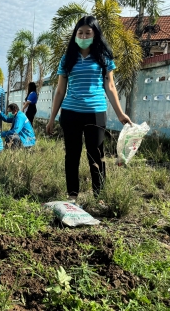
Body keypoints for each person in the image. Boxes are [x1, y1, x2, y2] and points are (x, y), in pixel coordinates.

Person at [45, 16, 132, 201]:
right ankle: (72, 196)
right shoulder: (67, 58)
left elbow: (110, 87)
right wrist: (52, 118)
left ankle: (99, 197)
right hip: (70, 113)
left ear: (95, 34)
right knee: (72, 155)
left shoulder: (104, 58)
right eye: (80, 32)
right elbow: (60, 90)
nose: (83, 36)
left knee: (96, 154)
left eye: (88, 33)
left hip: (96, 112)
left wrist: (120, 113)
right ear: (75, 34)